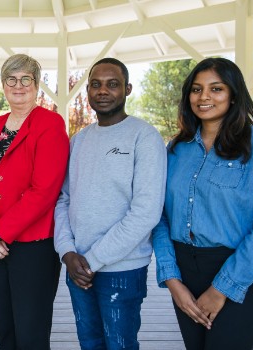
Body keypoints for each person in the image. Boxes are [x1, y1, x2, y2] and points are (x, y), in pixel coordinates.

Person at [152, 57, 253, 349]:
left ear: (234, 94)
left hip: (242, 274)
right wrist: (172, 279)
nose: (204, 97)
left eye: (216, 88)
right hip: (185, 274)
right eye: (196, 89)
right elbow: (159, 217)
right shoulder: (175, 150)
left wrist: (221, 288)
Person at [54, 57, 166, 350]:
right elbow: (64, 199)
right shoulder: (78, 141)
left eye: (112, 84)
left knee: (120, 345)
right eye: (95, 84)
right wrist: (66, 251)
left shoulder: (144, 137)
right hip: (77, 267)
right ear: (87, 90)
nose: (103, 91)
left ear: (127, 89)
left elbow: (146, 212)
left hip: (122, 270)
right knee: (89, 344)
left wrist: (93, 259)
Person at [0, 53, 69, 350]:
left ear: (37, 85)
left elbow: (44, 191)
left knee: (31, 333)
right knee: (4, 327)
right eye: (11, 79)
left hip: (32, 247)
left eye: (26, 79)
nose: (19, 85)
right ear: (3, 85)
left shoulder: (50, 124)